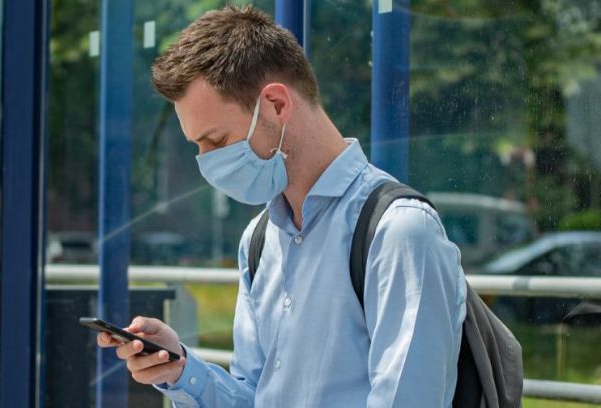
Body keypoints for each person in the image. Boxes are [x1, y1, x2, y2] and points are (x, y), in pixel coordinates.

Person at [98, 5, 467, 407]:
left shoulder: (398, 232)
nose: (206, 162)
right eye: (198, 146)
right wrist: (182, 370)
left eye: (217, 141)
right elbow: (255, 397)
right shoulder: (258, 240)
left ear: (276, 104)